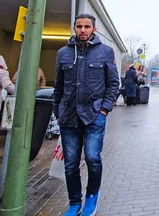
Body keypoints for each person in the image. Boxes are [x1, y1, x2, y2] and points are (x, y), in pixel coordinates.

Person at [53, 14, 119, 216]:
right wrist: (58, 112)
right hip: (68, 118)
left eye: (87, 26)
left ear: (94, 29)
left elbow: (114, 84)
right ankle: (74, 203)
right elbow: (58, 86)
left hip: (94, 116)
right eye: (79, 26)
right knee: (71, 163)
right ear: (74, 28)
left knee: (92, 158)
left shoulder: (106, 52)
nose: (83, 30)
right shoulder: (63, 53)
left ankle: (91, 198)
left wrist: (104, 109)